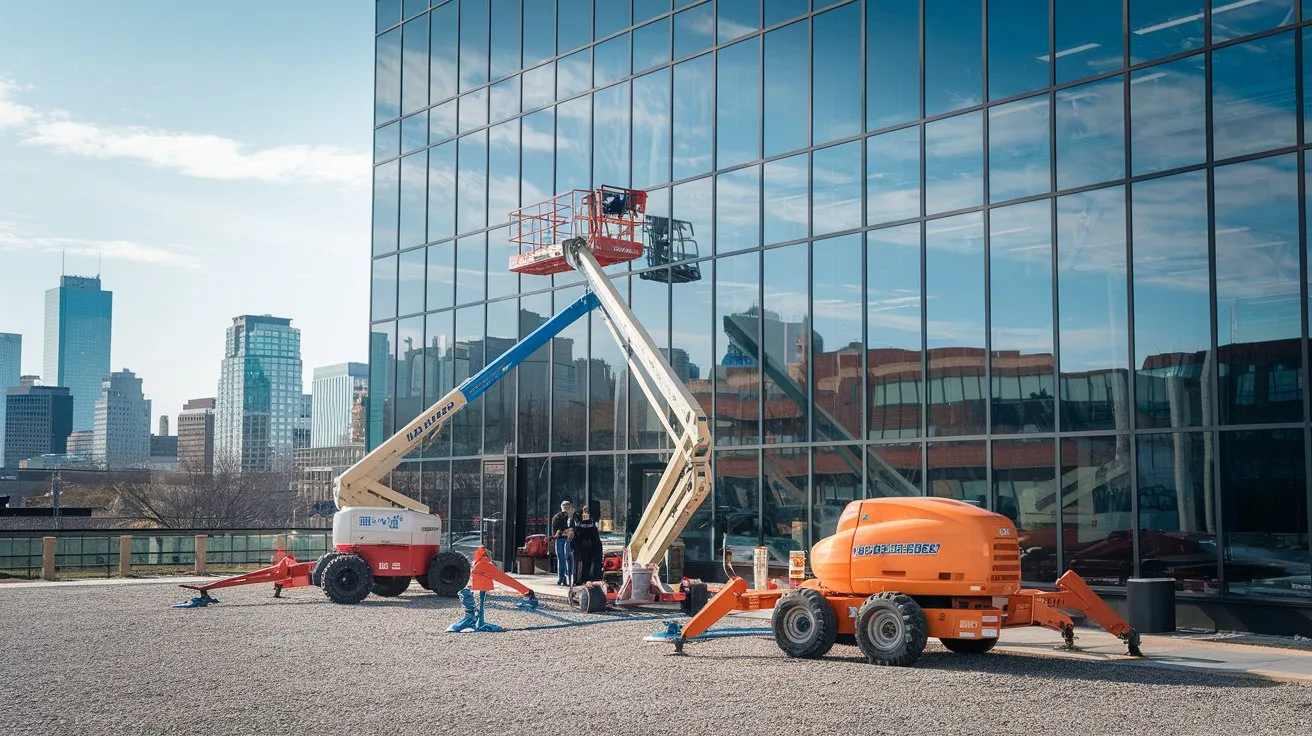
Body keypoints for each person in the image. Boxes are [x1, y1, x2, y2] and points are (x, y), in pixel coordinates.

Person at [569, 505, 603, 585]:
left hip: (586, 549)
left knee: (585, 565)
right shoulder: (584, 525)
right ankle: (583, 579)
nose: (585, 515)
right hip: (585, 548)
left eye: (587, 513)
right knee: (584, 564)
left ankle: (583, 579)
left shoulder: (582, 526)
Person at [551, 501, 575, 585]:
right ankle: (562, 578)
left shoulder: (574, 517)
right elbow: (556, 531)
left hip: (570, 539)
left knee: (570, 559)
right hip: (561, 539)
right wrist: (564, 531)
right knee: (562, 559)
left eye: (567, 505)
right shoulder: (558, 517)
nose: (566, 507)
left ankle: (568, 577)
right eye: (564, 505)